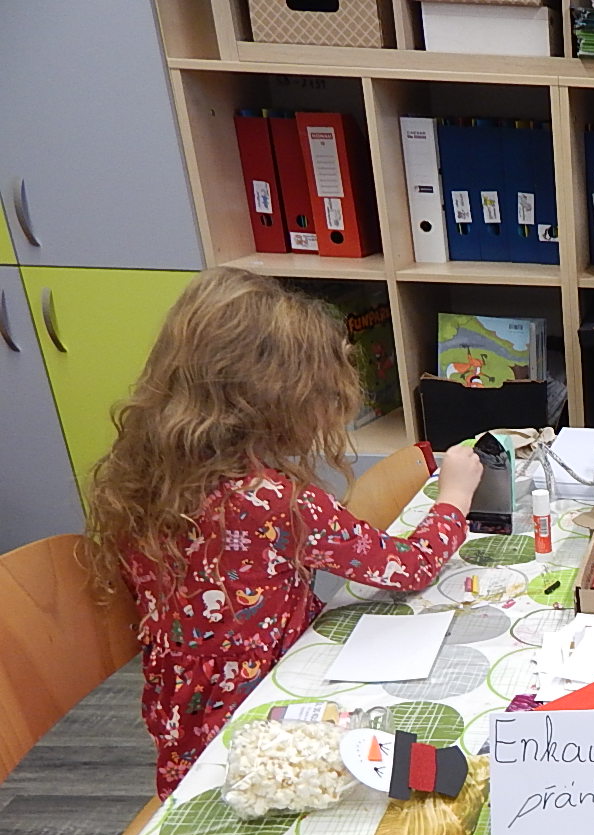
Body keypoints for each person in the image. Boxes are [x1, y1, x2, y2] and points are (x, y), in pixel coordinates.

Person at [85, 268, 483, 799]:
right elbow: (411, 566)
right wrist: (454, 495)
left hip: (181, 724)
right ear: (278, 401)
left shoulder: (143, 474)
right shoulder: (270, 499)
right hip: (259, 728)